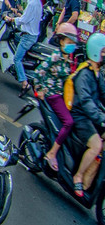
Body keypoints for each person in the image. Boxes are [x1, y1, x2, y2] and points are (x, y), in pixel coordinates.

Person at [33, 23, 79, 171]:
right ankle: (52, 153)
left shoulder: (68, 59)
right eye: (68, 42)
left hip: (63, 96)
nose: (71, 45)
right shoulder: (56, 56)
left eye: (73, 43)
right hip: (53, 95)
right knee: (69, 123)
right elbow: (39, 71)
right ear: (61, 41)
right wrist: (39, 89)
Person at [67, 32, 105, 198]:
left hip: (91, 115)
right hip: (80, 116)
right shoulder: (85, 74)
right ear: (96, 51)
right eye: (103, 51)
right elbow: (86, 102)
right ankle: (79, 175)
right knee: (97, 145)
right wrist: (101, 118)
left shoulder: (97, 72)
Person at [6, 0, 43, 94]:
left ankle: (24, 83)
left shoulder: (32, 4)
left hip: (28, 36)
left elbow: (24, 19)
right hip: (32, 35)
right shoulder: (37, 2)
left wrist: (12, 19)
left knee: (17, 59)